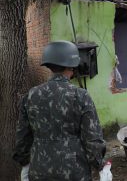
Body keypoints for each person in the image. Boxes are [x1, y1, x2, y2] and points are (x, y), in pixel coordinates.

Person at [13, 40, 106, 180]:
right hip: (74, 171)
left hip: (40, 169)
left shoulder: (31, 95)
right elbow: (93, 139)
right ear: (72, 66)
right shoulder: (80, 96)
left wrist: (24, 161)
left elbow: (22, 137)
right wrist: (99, 164)